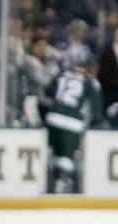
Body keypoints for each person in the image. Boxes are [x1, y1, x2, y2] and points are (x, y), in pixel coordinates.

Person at [42, 64, 103, 193]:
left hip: (53, 118)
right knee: (67, 155)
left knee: (55, 152)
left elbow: (48, 91)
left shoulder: (62, 75)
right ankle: (62, 182)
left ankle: (52, 180)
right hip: (72, 122)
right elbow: (96, 109)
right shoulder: (89, 81)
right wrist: (95, 123)